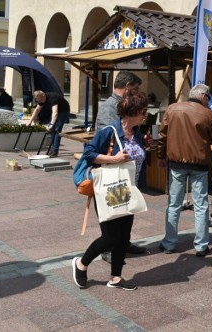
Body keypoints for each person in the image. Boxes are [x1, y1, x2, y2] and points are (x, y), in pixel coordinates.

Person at [72, 91, 149, 291]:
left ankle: (115, 277)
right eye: (143, 111)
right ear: (132, 112)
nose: (145, 115)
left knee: (123, 237)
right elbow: (88, 154)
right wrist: (115, 159)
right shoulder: (109, 131)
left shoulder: (137, 132)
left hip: (128, 189)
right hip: (108, 190)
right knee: (110, 237)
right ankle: (81, 263)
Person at [157, 84, 212, 256]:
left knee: (173, 204)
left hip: (176, 163)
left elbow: (162, 136)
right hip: (199, 164)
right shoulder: (208, 113)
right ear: (203, 96)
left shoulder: (172, 109)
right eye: (208, 98)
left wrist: (161, 156)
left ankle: (169, 243)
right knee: (201, 206)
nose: (209, 101)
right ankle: (201, 245)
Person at [94, 71, 147, 261]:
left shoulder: (126, 106)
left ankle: (124, 243)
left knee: (126, 210)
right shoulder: (110, 106)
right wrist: (117, 156)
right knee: (112, 212)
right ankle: (108, 249)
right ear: (127, 87)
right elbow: (106, 137)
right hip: (113, 171)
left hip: (127, 173)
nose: (136, 93)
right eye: (135, 89)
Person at [26, 90, 70, 157]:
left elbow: (55, 113)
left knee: (57, 129)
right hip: (55, 112)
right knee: (51, 130)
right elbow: (37, 110)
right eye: (38, 101)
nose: (40, 102)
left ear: (43, 96)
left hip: (63, 111)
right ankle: (52, 149)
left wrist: (52, 124)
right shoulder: (41, 99)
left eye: (40, 100)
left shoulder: (53, 98)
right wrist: (30, 120)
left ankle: (55, 151)